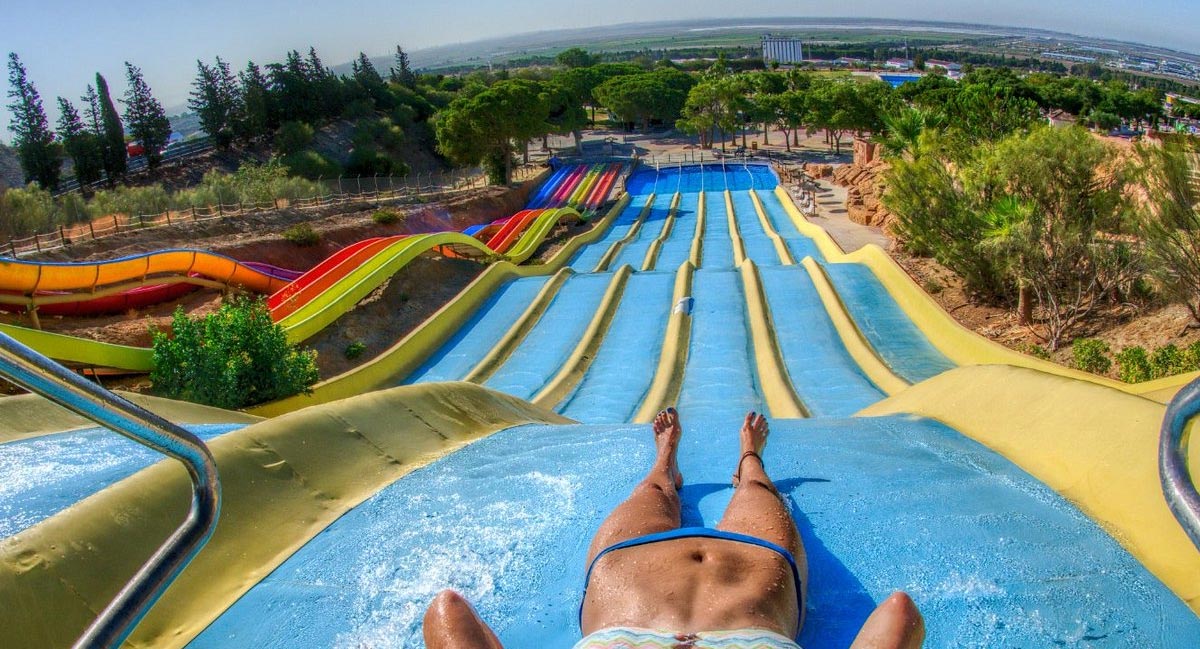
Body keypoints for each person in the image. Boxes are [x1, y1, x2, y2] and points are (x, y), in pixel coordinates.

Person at [424, 408, 926, 649]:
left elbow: (446, 610)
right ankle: (749, 456)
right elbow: (899, 612)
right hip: (749, 571)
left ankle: (666, 460)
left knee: (656, 494)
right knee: (755, 492)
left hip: (633, 575)